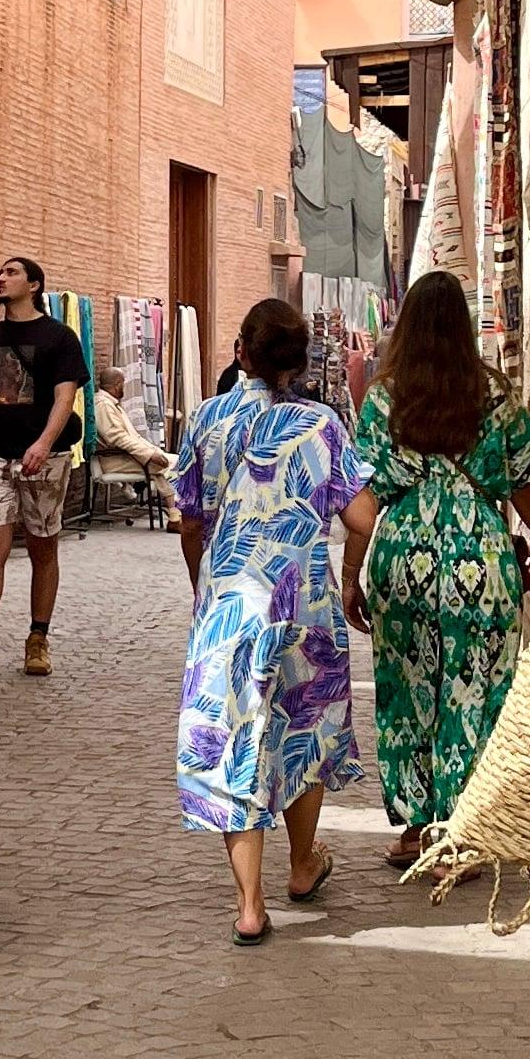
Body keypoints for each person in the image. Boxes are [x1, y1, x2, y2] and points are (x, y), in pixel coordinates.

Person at [172, 297, 363, 945]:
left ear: (241, 353)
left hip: (230, 602)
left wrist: (204, 580)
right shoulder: (322, 425)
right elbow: (362, 518)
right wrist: (350, 572)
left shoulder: (208, 419)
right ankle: (303, 863)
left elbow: (189, 519)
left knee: (236, 738)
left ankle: (249, 903)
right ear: (296, 361)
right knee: (304, 727)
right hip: (305, 599)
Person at [342, 270, 530, 859]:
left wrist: (352, 575)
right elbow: (525, 480)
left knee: (407, 694)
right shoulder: (495, 393)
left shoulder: (384, 397)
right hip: (479, 555)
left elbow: (366, 495)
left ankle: (414, 828)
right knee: (477, 689)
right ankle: (464, 829)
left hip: (403, 555)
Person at [0, 252, 87, 678]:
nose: (1, 279)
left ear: (34, 285)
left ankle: (38, 638)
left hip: (46, 455)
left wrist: (43, 443)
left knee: (43, 547)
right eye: (0, 273)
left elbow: (66, 398)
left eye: (11, 273)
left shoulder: (59, 338)